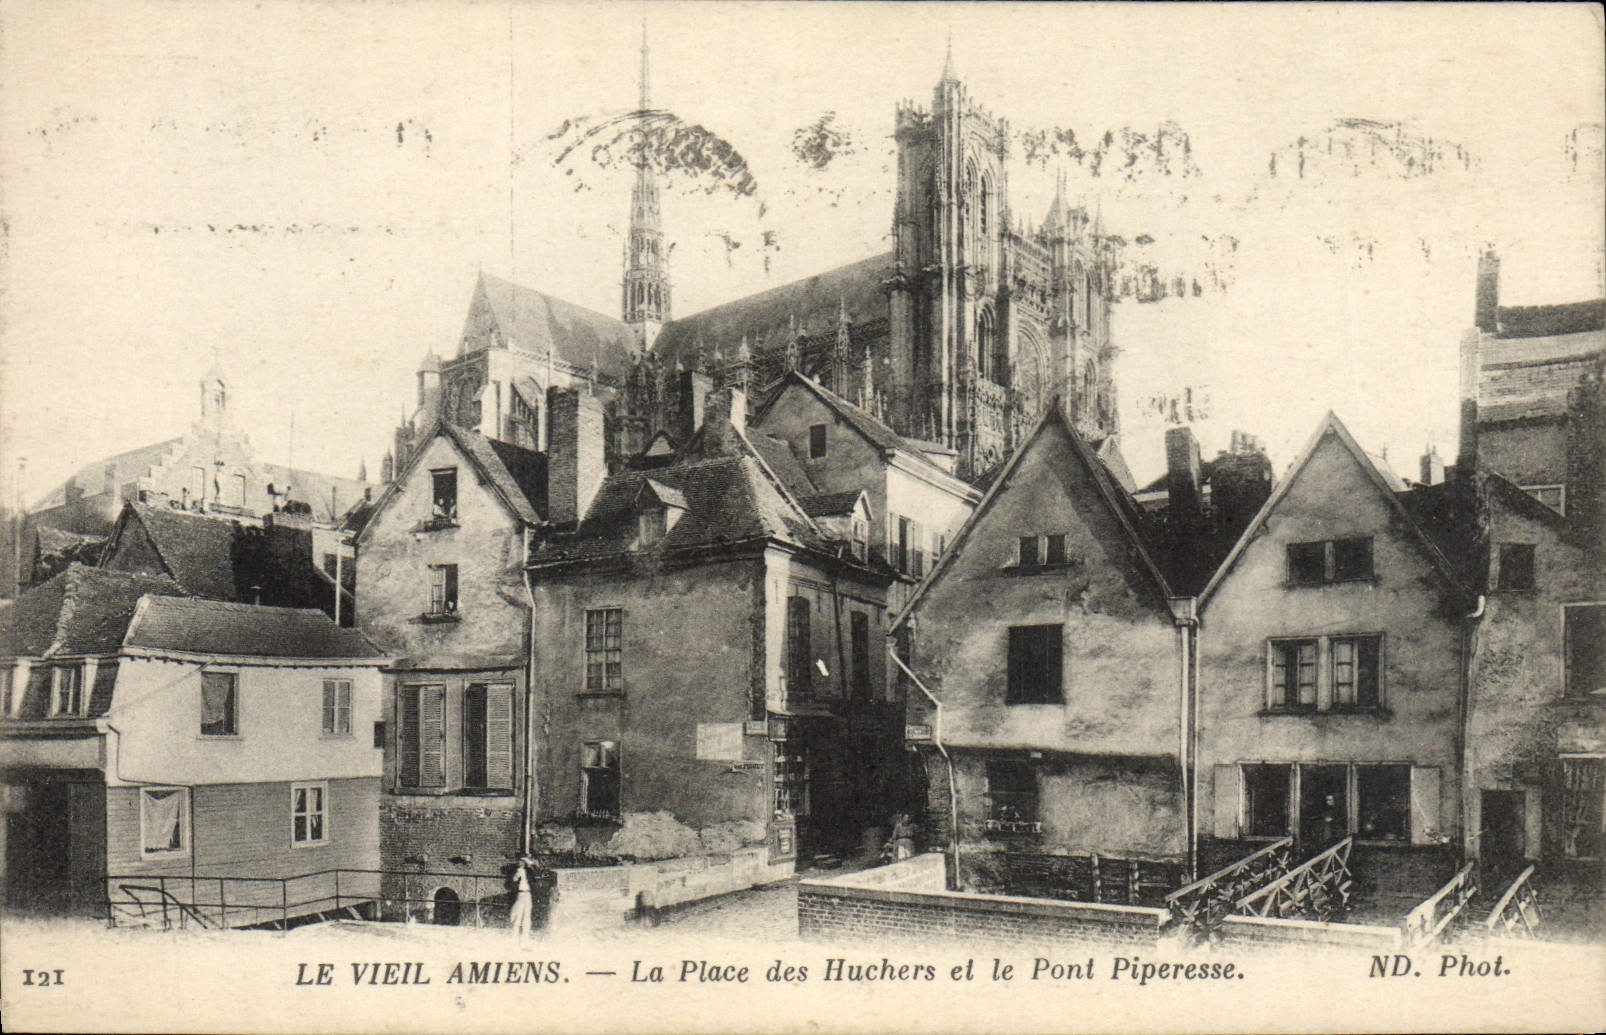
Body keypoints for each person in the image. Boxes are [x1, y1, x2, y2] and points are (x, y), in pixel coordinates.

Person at [508, 856, 534, 940]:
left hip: (527, 893)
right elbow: (513, 880)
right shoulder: (517, 871)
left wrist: (530, 865)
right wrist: (516, 875)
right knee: (518, 913)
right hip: (520, 893)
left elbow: (534, 875)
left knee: (527, 913)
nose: (521, 863)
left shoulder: (529, 871)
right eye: (520, 862)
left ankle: (525, 934)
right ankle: (515, 933)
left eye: (523, 862)